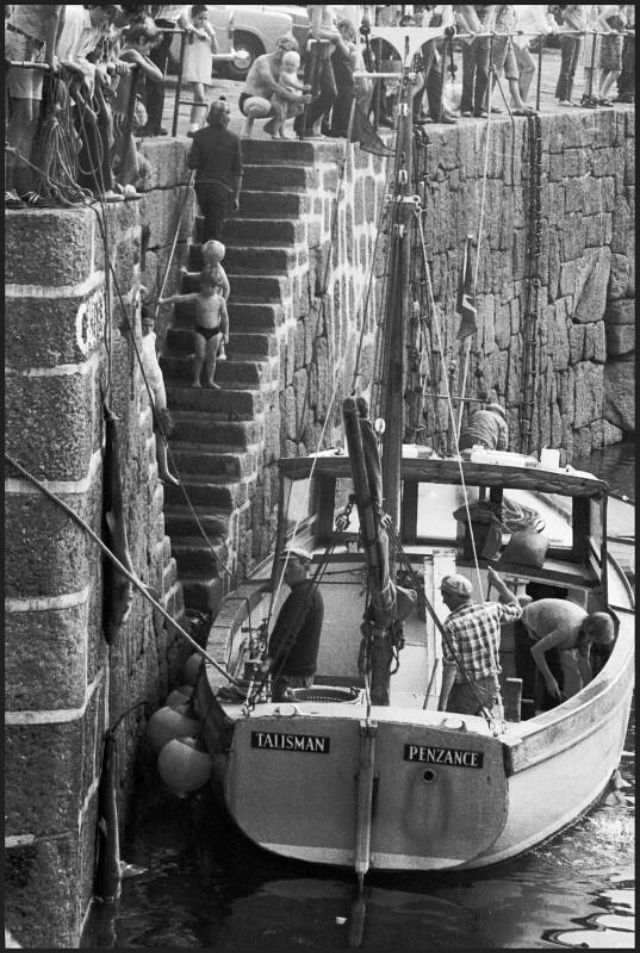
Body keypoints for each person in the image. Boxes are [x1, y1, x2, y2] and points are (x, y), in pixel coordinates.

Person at [438, 567, 522, 718]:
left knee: (455, 729)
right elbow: (517, 609)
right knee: (482, 724)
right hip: (491, 686)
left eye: (446, 596)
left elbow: (450, 667)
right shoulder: (492, 609)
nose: (444, 601)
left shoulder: (451, 625)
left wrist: (441, 705)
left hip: (466, 692)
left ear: (456, 597)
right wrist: (498, 583)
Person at [5, 5, 64, 206]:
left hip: (39, 43)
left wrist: (51, 54)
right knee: (23, 115)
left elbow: (60, 17)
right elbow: (53, 15)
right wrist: (50, 57)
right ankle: (6, 185)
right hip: (20, 37)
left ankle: (22, 185)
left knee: (33, 117)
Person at [520, 598, 615, 709]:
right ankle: (526, 714)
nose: (593, 643)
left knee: (557, 678)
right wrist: (549, 679)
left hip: (547, 632)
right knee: (530, 680)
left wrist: (589, 694)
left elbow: (583, 663)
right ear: (590, 633)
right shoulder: (567, 630)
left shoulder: (586, 632)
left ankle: (550, 711)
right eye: (596, 640)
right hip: (527, 623)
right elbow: (536, 650)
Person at [110, 20, 164, 193]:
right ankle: (121, 192)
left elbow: (159, 75)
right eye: (149, 47)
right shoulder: (131, 53)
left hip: (123, 117)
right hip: (119, 118)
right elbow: (158, 77)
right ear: (141, 40)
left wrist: (144, 58)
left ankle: (117, 189)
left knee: (112, 161)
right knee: (132, 166)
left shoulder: (135, 54)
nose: (149, 52)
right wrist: (142, 59)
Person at [266, 547, 324, 702]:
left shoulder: (301, 594)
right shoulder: (311, 591)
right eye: (283, 567)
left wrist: (269, 660)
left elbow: (288, 631)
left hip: (291, 675)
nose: (285, 572)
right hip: (300, 673)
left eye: (291, 566)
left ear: (306, 567)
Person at [187, 98, 243, 243]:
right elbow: (237, 171)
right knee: (215, 225)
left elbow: (192, 164)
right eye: (228, 113)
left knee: (209, 220)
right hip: (221, 188)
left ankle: (207, 250)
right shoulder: (234, 139)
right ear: (225, 118)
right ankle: (210, 254)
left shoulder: (199, 135)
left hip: (202, 186)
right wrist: (236, 196)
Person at [159, 274, 229, 388]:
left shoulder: (220, 300)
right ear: (202, 285)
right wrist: (164, 300)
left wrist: (226, 333)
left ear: (217, 288)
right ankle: (196, 380)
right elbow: (181, 298)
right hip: (200, 330)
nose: (210, 289)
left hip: (214, 331)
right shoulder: (198, 297)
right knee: (200, 355)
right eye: (207, 286)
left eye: (213, 287)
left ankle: (210, 380)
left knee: (212, 357)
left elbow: (225, 317)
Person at [238, 34, 311, 139]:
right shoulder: (263, 61)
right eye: (280, 46)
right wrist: (296, 98)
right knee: (263, 105)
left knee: (299, 107)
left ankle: (273, 128)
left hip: (273, 101)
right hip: (250, 99)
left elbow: (292, 84)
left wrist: (301, 93)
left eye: (285, 49)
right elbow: (273, 85)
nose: (280, 51)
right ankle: (247, 128)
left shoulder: (288, 65)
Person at [140, 302, 179, 485]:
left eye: (151, 325)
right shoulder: (136, 340)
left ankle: (165, 470)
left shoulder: (152, 336)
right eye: (144, 325)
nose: (148, 329)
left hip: (158, 381)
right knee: (151, 425)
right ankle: (154, 469)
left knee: (163, 424)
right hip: (146, 384)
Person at [294, 5, 340, 138]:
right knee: (312, 90)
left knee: (331, 92)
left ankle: (305, 122)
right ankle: (304, 126)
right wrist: (335, 36)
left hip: (325, 49)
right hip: (316, 47)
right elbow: (316, 31)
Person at [142, 4, 185, 136]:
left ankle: (152, 123)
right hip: (157, 22)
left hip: (163, 24)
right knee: (152, 75)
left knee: (155, 75)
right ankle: (150, 122)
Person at [179, 5, 218, 136]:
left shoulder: (207, 32)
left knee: (199, 99)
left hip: (204, 66)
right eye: (200, 18)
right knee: (200, 96)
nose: (203, 21)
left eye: (206, 18)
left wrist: (212, 34)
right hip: (193, 66)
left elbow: (215, 50)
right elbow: (188, 29)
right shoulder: (191, 31)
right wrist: (197, 31)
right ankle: (196, 126)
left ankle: (194, 127)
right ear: (193, 18)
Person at [512, 6, 559, 108]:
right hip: (519, 41)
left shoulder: (545, 11)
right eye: (555, 7)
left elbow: (554, 28)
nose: (556, 11)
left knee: (521, 71)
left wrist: (551, 19)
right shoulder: (538, 7)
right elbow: (544, 28)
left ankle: (517, 103)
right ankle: (520, 103)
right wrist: (552, 28)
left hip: (521, 41)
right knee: (530, 67)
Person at [555, 4, 587, 106]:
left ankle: (568, 97)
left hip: (577, 37)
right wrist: (577, 27)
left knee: (572, 69)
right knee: (567, 68)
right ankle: (562, 98)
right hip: (569, 36)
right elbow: (565, 14)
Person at [269, 49, 306, 139]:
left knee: (284, 116)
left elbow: (296, 83)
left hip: (286, 99)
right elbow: (291, 84)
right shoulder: (284, 74)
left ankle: (282, 133)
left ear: (297, 66)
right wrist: (301, 88)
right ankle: (274, 133)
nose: (289, 67)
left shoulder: (294, 74)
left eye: (292, 65)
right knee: (280, 116)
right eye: (287, 64)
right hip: (279, 99)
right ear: (283, 64)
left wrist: (299, 90)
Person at [598, 5, 627, 104]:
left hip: (618, 42)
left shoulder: (622, 10)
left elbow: (621, 27)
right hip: (610, 41)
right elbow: (600, 19)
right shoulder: (614, 7)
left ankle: (600, 94)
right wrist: (609, 30)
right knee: (617, 71)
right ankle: (603, 94)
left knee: (607, 69)